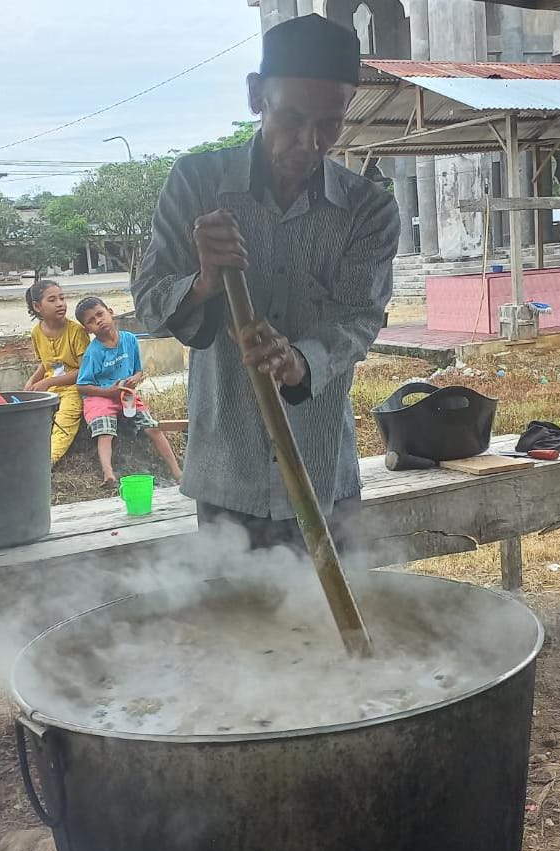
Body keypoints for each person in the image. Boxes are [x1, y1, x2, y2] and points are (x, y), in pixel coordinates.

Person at [133, 14, 398, 552]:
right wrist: (205, 281)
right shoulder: (198, 182)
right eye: (292, 117)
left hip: (322, 465)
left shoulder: (368, 208)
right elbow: (149, 307)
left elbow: (360, 317)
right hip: (229, 475)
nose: (310, 141)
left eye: (330, 122)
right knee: (237, 627)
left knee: (333, 625)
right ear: (257, 96)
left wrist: (300, 361)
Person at [75, 297, 182, 489]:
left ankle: (177, 471)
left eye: (100, 314)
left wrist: (136, 378)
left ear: (111, 312)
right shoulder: (94, 352)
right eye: (91, 321)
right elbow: (82, 385)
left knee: (153, 427)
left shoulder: (130, 340)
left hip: (125, 395)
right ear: (87, 329)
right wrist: (109, 392)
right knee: (105, 430)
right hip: (101, 396)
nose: (98, 321)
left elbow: (138, 370)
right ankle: (108, 473)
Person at [23, 279, 89, 464]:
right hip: (51, 386)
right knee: (31, 413)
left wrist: (48, 382)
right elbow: (46, 364)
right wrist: (31, 382)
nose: (60, 304)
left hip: (75, 387)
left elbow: (84, 371)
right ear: (37, 306)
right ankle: (25, 453)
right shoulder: (37, 332)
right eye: (52, 300)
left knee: (66, 416)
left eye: (62, 298)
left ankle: (48, 460)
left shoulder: (76, 331)